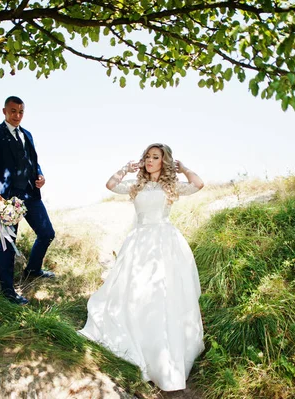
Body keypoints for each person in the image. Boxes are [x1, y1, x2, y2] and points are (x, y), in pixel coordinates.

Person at [79, 143, 205, 391]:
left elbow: (198, 184)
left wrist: (184, 168)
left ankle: (165, 356)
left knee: (164, 294)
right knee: (138, 292)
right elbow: (111, 185)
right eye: (147, 156)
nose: (149, 161)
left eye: (155, 157)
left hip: (165, 243)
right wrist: (125, 169)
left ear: (164, 161)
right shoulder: (137, 185)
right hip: (139, 242)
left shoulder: (171, 186)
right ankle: (139, 347)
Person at [0, 96, 55, 306]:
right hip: (8, 198)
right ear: (4, 111)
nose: (17, 116)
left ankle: (33, 270)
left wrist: (40, 176)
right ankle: (7, 291)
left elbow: (33, 162)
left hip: (31, 194)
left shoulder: (27, 134)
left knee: (47, 233)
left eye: (21, 112)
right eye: (13, 111)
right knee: (8, 241)